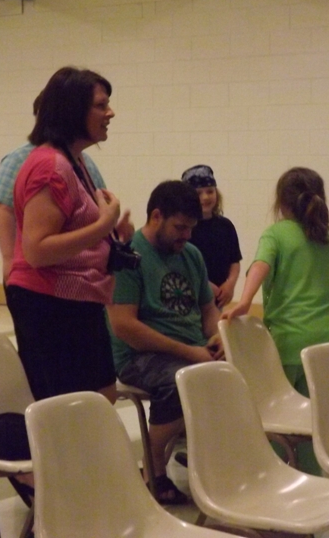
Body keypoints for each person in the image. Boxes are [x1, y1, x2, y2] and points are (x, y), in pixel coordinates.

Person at [6, 66, 123, 405]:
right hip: (50, 303)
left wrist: (112, 233)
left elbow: (72, 229)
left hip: (78, 301)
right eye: (101, 105)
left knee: (102, 398)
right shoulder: (50, 166)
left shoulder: (73, 160)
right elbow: (37, 250)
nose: (110, 113)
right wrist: (103, 225)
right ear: (74, 110)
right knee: (71, 408)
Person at [107, 180, 223, 506]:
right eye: (180, 228)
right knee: (179, 380)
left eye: (191, 229)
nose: (186, 236)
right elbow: (124, 326)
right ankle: (153, 467)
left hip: (191, 351)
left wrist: (218, 337)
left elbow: (208, 311)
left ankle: (215, 460)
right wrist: (192, 353)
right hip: (140, 355)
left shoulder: (192, 255)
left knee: (235, 374)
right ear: (156, 216)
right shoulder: (129, 255)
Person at [222, 167, 329, 397]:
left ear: (281, 202)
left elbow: (260, 265)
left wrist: (245, 301)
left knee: (279, 406)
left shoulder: (276, 234)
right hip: (326, 338)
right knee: (314, 409)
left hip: (288, 340)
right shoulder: (328, 236)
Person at [0, 94, 109, 283]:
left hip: (78, 272)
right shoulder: (21, 158)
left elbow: (99, 207)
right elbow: (4, 209)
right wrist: (9, 260)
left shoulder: (84, 162)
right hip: (41, 275)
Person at [181, 164, 242, 309]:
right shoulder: (184, 228)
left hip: (218, 298)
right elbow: (180, 264)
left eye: (210, 191)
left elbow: (234, 261)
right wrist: (205, 284)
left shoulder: (225, 226)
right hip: (190, 297)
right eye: (198, 193)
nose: (205, 197)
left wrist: (230, 284)